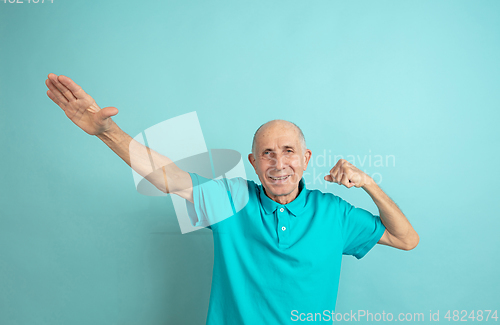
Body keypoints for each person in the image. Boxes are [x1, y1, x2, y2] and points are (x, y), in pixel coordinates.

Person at [45, 73, 419, 324]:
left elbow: (406, 239)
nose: (278, 163)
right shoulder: (232, 200)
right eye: (267, 154)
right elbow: (168, 177)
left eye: (288, 151)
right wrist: (106, 132)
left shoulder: (335, 213)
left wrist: (369, 183)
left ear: (305, 159)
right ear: (254, 163)